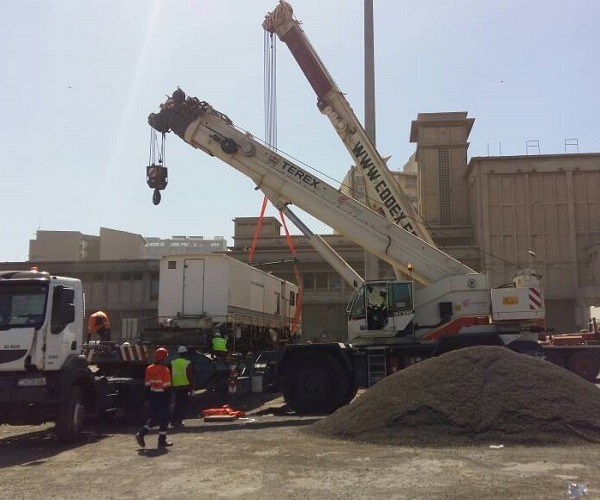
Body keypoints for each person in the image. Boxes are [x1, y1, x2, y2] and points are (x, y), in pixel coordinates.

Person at [135, 347, 173, 448]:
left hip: (152, 396)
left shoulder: (149, 368)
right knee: (164, 420)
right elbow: (167, 388)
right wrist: (170, 402)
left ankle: (141, 433)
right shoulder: (165, 370)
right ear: (164, 358)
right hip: (162, 397)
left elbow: (147, 386)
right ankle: (161, 441)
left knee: (153, 418)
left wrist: (146, 399)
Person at [170, 345, 194, 428]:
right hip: (184, 386)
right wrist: (192, 388)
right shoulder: (187, 363)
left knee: (177, 404)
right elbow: (190, 376)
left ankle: (173, 421)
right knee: (182, 405)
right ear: (186, 353)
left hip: (176, 386)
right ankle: (179, 421)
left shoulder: (173, 362)